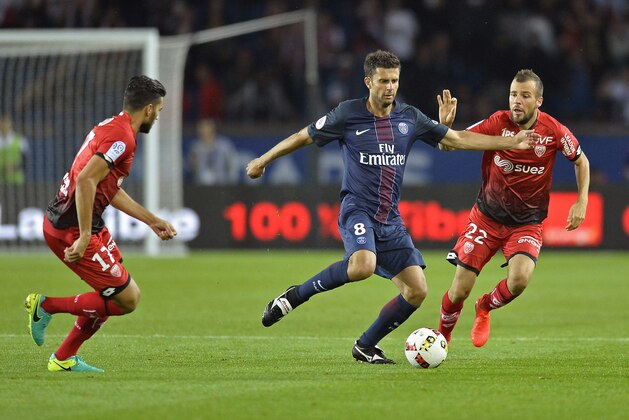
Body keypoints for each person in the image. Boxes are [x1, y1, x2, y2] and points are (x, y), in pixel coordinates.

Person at [246, 50, 538, 364]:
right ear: (368, 81)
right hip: (357, 210)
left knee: (417, 291)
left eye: (395, 80)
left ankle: (366, 345)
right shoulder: (347, 114)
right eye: (384, 81)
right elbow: (303, 137)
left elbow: (455, 140)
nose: (390, 87)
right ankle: (295, 296)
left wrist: (508, 142)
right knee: (362, 265)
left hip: (390, 220)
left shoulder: (409, 118)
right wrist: (263, 160)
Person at [24, 75, 177, 372]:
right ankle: (45, 307)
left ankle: (64, 358)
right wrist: (82, 237)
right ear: (148, 109)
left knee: (111, 293)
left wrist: (151, 220)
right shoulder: (123, 138)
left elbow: (108, 188)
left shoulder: (112, 126)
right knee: (128, 299)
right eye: (158, 110)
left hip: (82, 223)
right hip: (70, 228)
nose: (158, 116)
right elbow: (84, 181)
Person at [436, 69, 590, 347]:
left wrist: (582, 200)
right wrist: (445, 128)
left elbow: (581, 160)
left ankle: (484, 307)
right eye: (513, 94)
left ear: (539, 101)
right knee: (459, 291)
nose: (516, 101)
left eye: (525, 95)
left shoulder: (553, 130)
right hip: (486, 218)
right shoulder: (498, 122)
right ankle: (441, 340)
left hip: (527, 222)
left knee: (519, 280)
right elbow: (450, 145)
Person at [188, 118, 239, 185]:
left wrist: (231, 183)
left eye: (204, 127)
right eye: (200, 128)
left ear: (212, 129)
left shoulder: (224, 145)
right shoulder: (196, 147)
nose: (201, 130)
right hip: (202, 187)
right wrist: (193, 164)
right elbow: (192, 169)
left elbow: (233, 165)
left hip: (222, 185)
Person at [0, 115, 29, 185]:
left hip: (17, 182)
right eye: (2, 122)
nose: (4, 125)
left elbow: (25, 161)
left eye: (6, 122)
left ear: (11, 124)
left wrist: (14, 167)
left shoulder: (21, 141)